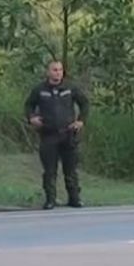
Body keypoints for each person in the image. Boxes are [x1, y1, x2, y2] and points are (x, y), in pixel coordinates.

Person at [24, 60, 90, 209]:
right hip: (48, 135)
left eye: (60, 70)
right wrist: (32, 118)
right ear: (48, 72)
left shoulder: (70, 88)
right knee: (49, 171)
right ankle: (50, 200)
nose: (58, 73)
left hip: (68, 134)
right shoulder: (40, 90)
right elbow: (29, 105)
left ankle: (74, 198)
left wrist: (81, 121)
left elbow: (84, 103)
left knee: (71, 170)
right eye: (54, 70)